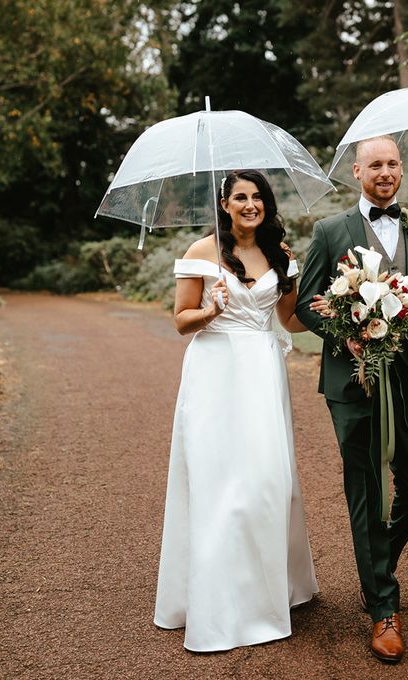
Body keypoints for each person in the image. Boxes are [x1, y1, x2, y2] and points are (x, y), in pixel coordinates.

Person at [295, 135, 408, 663]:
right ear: (357, 171)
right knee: (365, 489)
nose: (385, 172)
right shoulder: (330, 230)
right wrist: (345, 331)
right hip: (354, 382)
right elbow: (306, 304)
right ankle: (383, 607)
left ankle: (377, 558)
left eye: (393, 164)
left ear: (401, 170)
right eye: (375, 165)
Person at [154, 169, 320, 652]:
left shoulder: (281, 256)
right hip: (214, 370)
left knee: (268, 480)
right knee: (218, 481)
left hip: (263, 373)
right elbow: (182, 321)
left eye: (258, 197)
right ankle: (220, 602)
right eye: (240, 197)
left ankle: (270, 589)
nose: (251, 204)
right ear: (224, 204)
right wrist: (211, 310)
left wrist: (344, 312)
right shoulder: (202, 253)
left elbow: (288, 318)